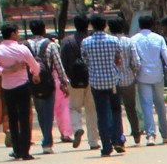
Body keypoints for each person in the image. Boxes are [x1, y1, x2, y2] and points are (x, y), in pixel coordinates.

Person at [0, 22, 42, 160]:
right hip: (22, 86)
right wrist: (34, 73)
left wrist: (6, 70)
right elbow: (35, 67)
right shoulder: (22, 49)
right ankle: (25, 151)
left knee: (12, 119)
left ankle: (17, 150)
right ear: (13, 34)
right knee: (25, 118)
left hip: (7, 88)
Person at [79, 14, 127, 156]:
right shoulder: (113, 40)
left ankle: (106, 147)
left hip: (96, 82)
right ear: (105, 25)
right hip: (112, 80)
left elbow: (85, 61)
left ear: (92, 26)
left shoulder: (86, 42)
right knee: (116, 110)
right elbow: (118, 59)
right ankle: (117, 139)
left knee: (101, 114)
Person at [131, 13, 167, 144]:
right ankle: (165, 134)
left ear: (140, 25)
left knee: (146, 105)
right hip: (157, 74)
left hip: (142, 75)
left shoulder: (134, 39)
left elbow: (134, 59)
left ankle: (150, 134)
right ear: (152, 25)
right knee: (160, 104)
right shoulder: (159, 38)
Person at [25, 18, 67, 154]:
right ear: (43, 29)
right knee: (48, 112)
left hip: (32, 82)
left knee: (40, 112)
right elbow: (58, 64)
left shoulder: (25, 45)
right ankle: (47, 142)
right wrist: (64, 82)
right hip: (48, 82)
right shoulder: (51, 45)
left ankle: (46, 137)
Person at [61, 15, 91, 148]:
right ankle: (94, 141)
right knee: (92, 110)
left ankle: (77, 128)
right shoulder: (91, 40)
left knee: (74, 107)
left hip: (74, 79)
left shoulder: (67, 42)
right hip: (91, 78)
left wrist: (66, 79)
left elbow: (63, 62)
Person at [114, 17, 142, 145]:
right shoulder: (129, 42)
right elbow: (136, 62)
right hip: (128, 79)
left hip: (113, 81)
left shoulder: (110, 42)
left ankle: (119, 135)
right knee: (130, 108)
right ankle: (136, 133)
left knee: (115, 109)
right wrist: (132, 71)